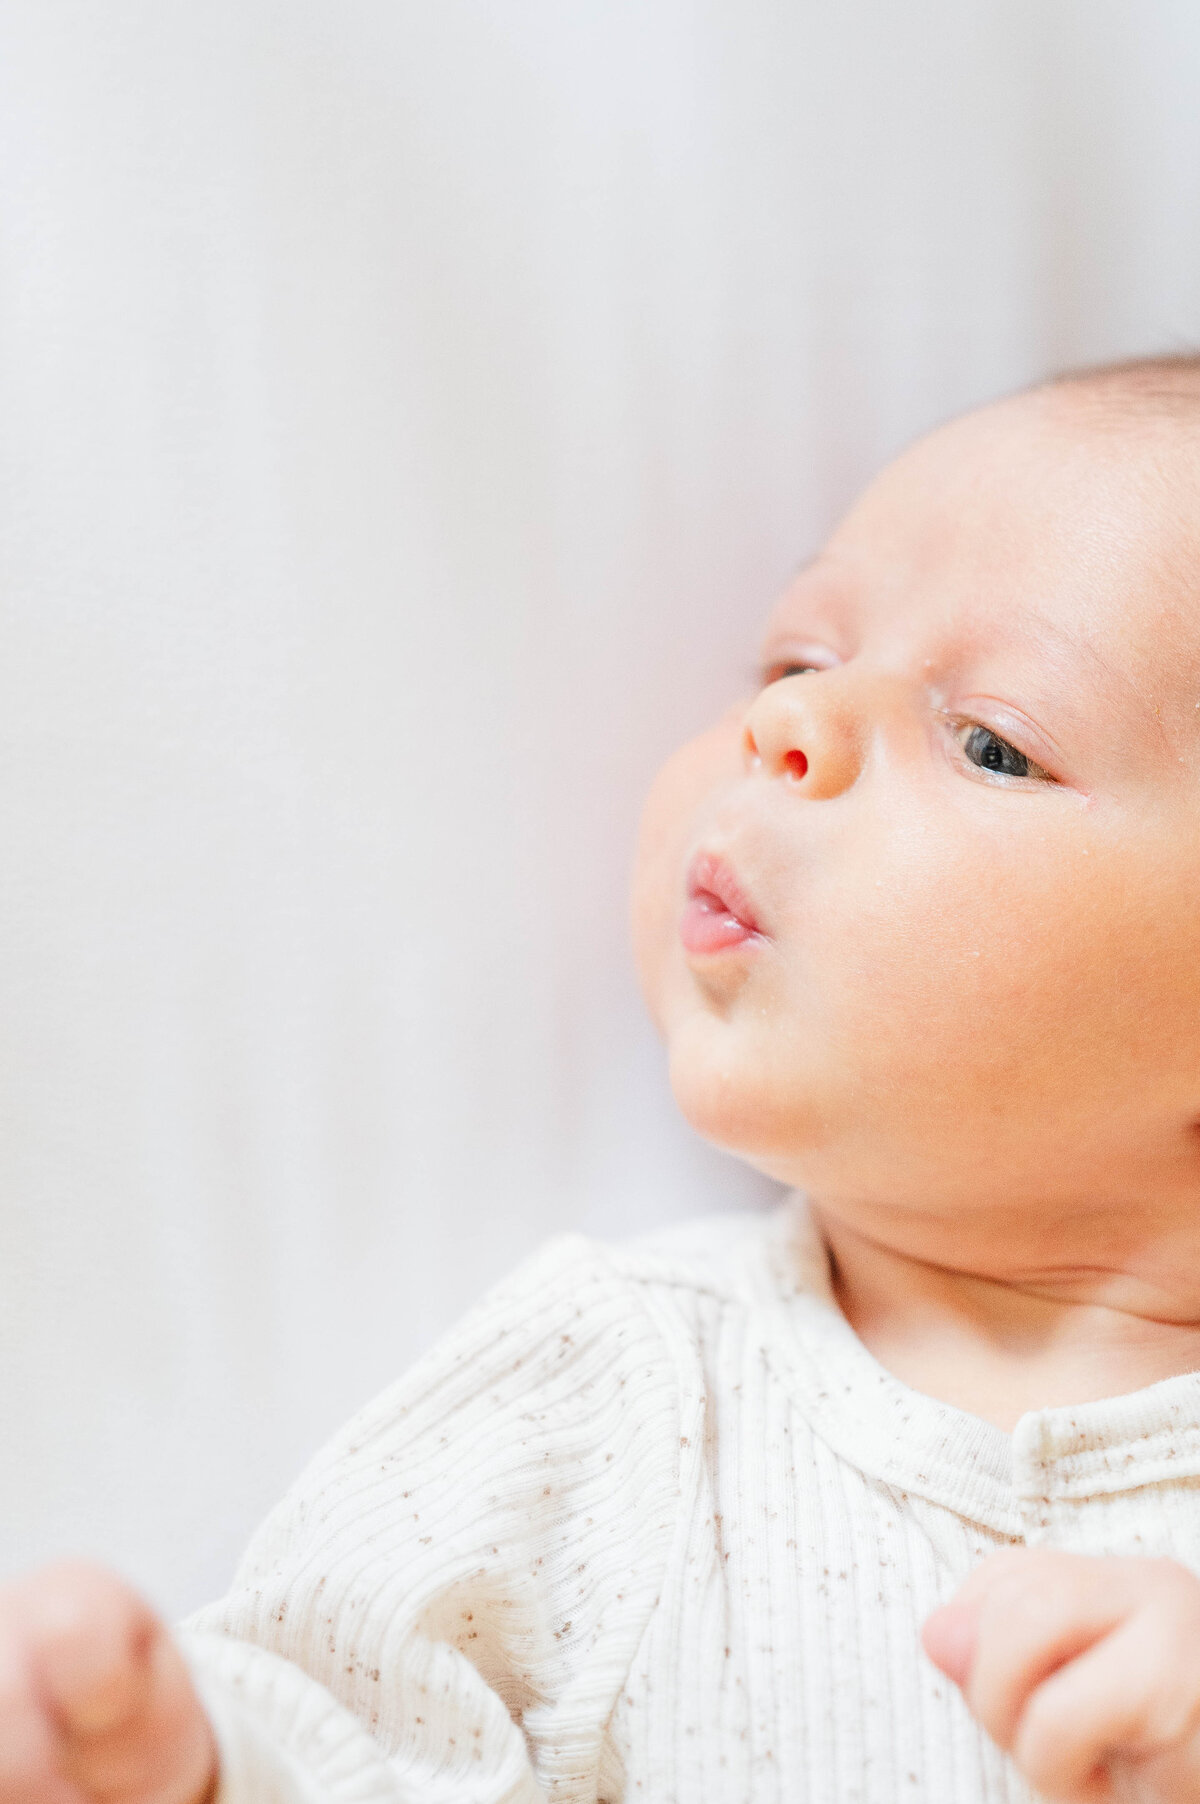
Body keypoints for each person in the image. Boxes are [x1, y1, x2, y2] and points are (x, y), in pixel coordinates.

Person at [8, 355, 1200, 1804]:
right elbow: (342, 1721)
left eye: (995, 742)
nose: (790, 729)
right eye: (794, 663)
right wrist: (189, 1767)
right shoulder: (612, 1397)